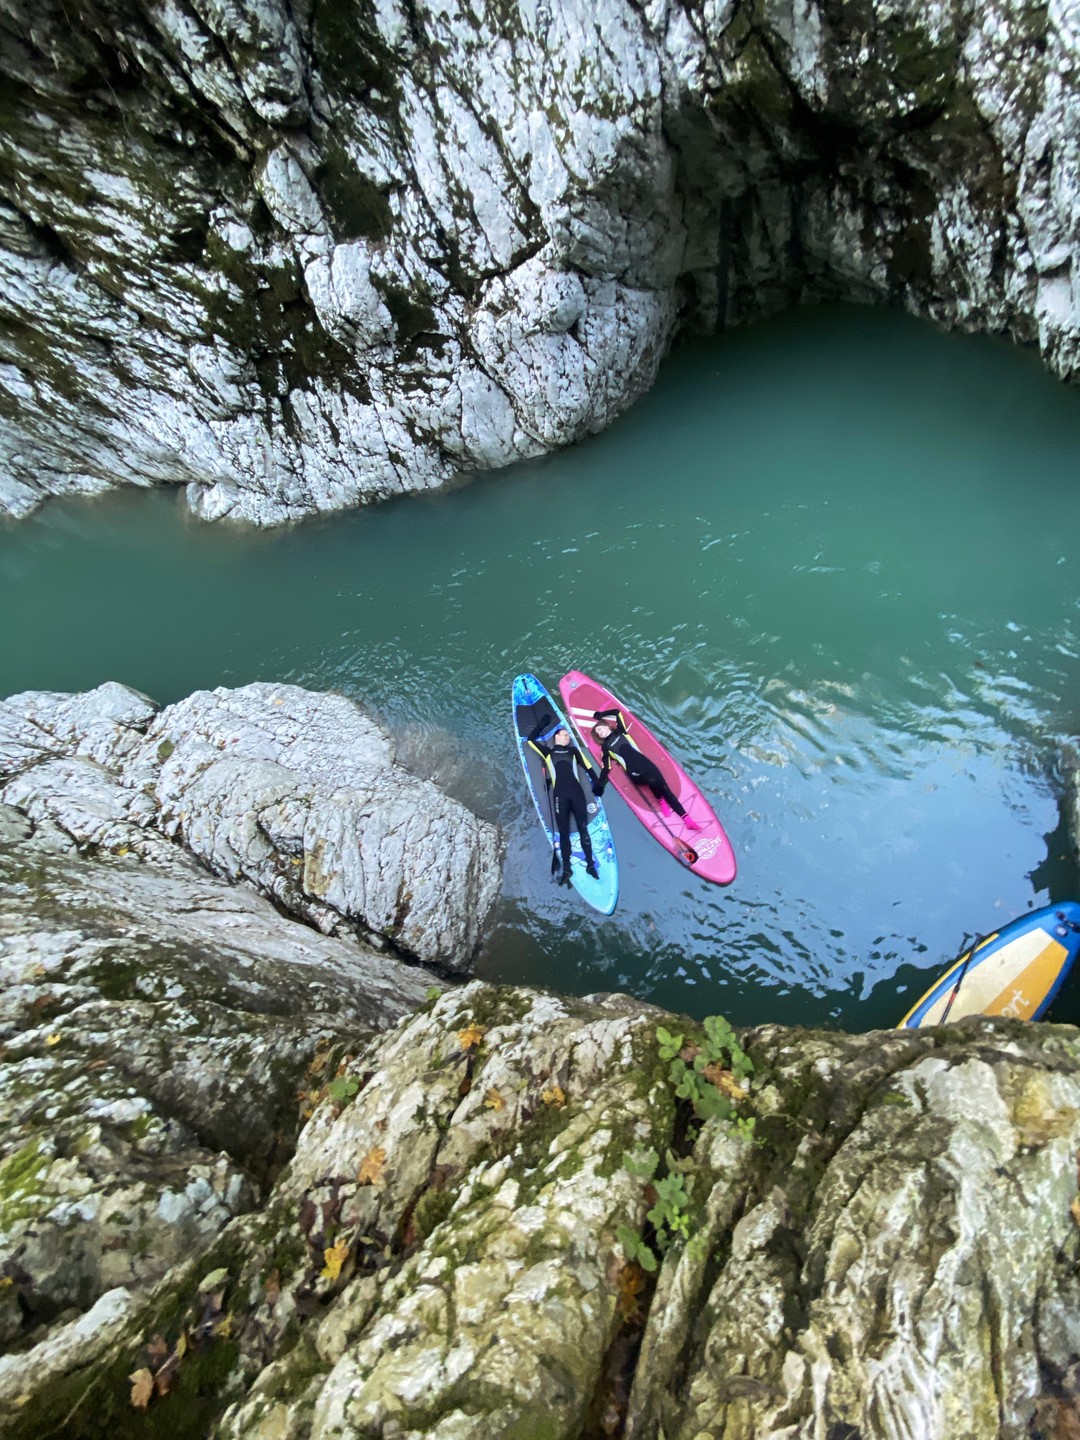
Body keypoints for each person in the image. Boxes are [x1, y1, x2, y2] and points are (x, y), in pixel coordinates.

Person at [591, 707, 700, 830]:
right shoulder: (605, 747)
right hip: (634, 773)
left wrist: (601, 714)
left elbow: (617, 713)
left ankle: (687, 819)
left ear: (607, 726)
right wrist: (600, 783)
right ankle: (661, 800)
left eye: (599, 729)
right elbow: (606, 767)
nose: (599, 732)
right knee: (653, 780)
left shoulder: (621, 732)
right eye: (597, 733)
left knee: (663, 787)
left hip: (645, 764)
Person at [526, 713, 600, 886]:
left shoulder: (574, 751)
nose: (568, 737)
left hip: (577, 793)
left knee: (583, 829)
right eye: (565, 735)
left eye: (568, 736)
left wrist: (597, 781)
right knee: (564, 831)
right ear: (556, 736)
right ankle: (567, 868)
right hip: (559, 796)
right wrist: (541, 725)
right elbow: (530, 740)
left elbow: (587, 766)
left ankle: (590, 865)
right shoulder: (548, 752)